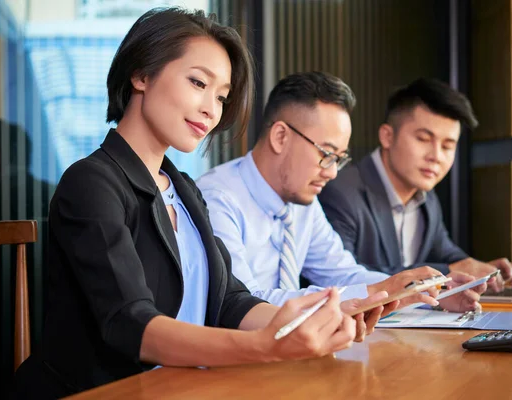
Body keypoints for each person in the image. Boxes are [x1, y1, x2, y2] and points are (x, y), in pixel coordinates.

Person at [13, 9, 387, 399]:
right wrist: (265, 347)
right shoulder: (91, 183)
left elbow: (228, 300)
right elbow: (131, 324)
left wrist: (310, 322)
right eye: (198, 83)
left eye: (222, 97)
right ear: (141, 74)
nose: (212, 109)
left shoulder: (183, 188)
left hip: (182, 387)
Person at [196, 71, 483, 314]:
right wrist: (381, 290)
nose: (333, 172)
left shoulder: (302, 203)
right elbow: (246, 304)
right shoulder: (217, 198)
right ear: (280, 136)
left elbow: (345, 273)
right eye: (327, 154)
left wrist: (425, 294)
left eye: (340, 158)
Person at [318, 78, 512, 292]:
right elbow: (343, 277)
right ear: (387, 136)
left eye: (447, 146)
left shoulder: (426, 197)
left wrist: (480, 271)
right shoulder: (340, 191)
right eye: (424, 139)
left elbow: (447, 253)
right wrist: (447, 270)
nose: (436, 156)